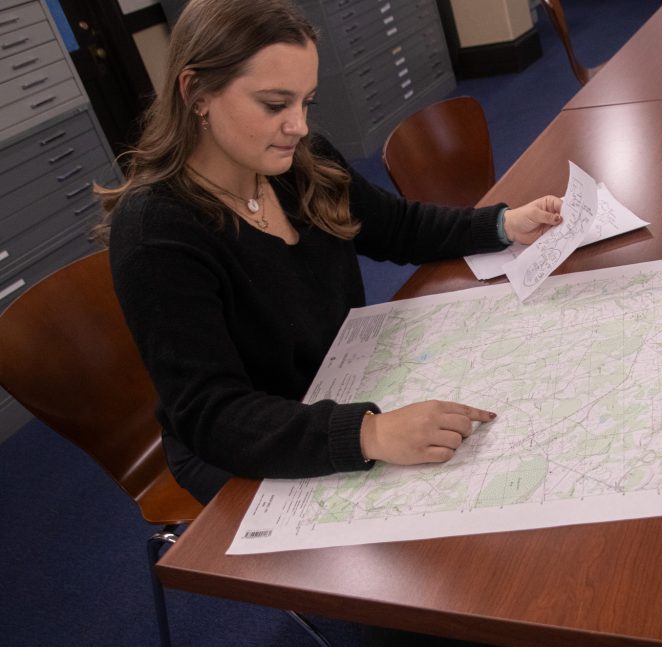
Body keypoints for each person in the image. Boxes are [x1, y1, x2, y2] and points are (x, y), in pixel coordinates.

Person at [95, 0, 563, 505]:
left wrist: (502, 223)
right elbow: (213, 414)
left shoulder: (297, 161)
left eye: (306, 102)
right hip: (244, 442)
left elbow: (396, 226)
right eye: (275, 105)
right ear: (196, 93)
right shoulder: (156, 232)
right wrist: (370, 434)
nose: (297, 126)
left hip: (342, 379)